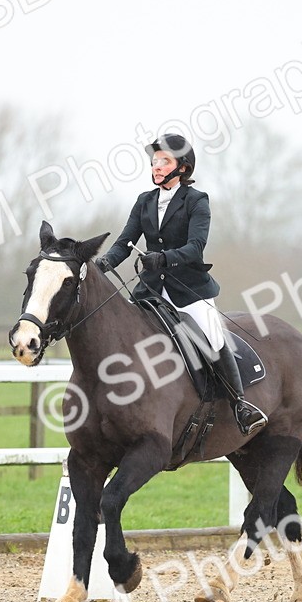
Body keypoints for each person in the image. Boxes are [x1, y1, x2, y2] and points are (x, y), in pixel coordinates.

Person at [96, 133, 268, 436]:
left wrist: (162, 259)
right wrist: (106, 263)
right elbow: (125, 242)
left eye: (164, 161)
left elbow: (195, 246)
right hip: (149, 291)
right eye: (154, 161)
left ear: (183, 168)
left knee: (213, 339)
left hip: (188, 290)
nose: (156, 166)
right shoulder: (144, 201)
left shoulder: (196, 201)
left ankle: (241, 404)